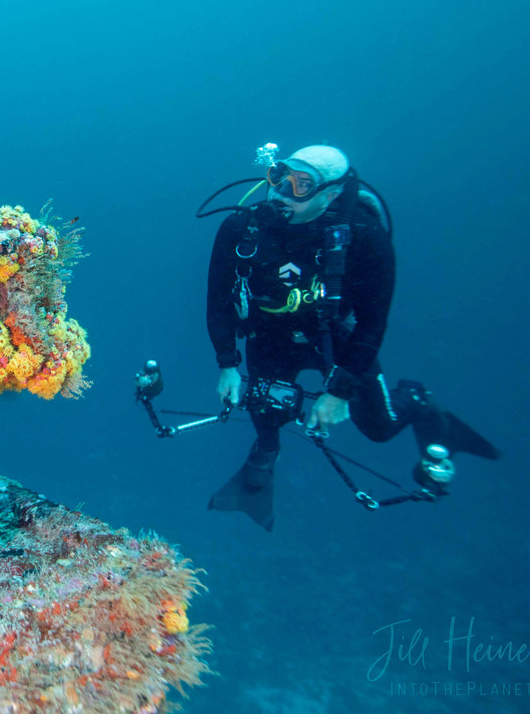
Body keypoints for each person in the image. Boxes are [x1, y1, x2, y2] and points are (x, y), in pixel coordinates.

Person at [205, 144, 498, 530]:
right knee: (265, 410)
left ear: (330, 194)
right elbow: (217, 300)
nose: (282, 191)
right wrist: (227, 363)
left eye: (301, 185)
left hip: (335, 339)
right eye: (279, 176)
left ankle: (418, 401)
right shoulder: (241, 229)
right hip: (269, 334)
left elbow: (373, 323)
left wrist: (340, 389)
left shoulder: (365, 236)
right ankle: (263, 459)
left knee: (379, 428)